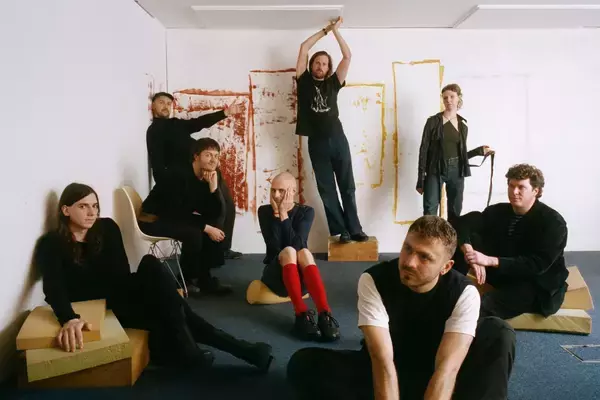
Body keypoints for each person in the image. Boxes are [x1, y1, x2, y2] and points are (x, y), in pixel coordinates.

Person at [36, 183, 273, 372]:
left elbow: (120, 274)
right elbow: (53, 288)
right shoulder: (52, 243)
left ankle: (189, 351)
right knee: (178, 310)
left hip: (121, 293)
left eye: (95, 206)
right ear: (65, 210)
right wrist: (69, 318)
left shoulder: (106, 228)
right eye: (83, 206)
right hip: (102, 306)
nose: (92, 213)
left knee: (152, 268)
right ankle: (242, 350)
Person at [287, 215, 515, 400]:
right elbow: (382, 359)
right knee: (304, 363)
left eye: (424, 257)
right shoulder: (374, 280)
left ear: (446, 267)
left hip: (437, 372)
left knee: (499, 332)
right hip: (392, 369)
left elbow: (447, 368)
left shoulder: (464, 293)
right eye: (408, 248)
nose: (409, 262)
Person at [453, 163, 569, 320]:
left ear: (536, 191)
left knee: (485, 304)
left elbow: (537, 265)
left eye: (521, 187)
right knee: (461, 242)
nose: (514, 192)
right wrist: (469, 251)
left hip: (535, 283)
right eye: (511, 186)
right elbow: (464, 223)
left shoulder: (553, 223)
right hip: (505, 274)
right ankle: (451, 289)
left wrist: (489, 260)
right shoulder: (498, 211)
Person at [294, 17, 368, 244]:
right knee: (327, 190)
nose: (320, 66)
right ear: (311, 65)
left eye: (325, 63)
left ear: (328, 68)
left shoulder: (334, 82)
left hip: (337, 139)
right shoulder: (303, 81)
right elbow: (304, 47)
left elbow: (347, 56)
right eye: (317, 62)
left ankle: (355, 229)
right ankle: (341, 230)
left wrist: (336, 31)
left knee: (348, 186)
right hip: (316, 143)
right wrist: (325, 30)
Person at [148, 91, 242, 260]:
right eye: (161, 102)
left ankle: (222, 247)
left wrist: (225, 113)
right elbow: (157, 161)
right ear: (153, 106)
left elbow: (199, 122)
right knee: (213, 208)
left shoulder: (176, 124)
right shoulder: (155, 130)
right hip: (187, 177)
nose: (166, 106)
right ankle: (215, 250)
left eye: (169, 103)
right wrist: (165, 184)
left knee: (225, 205)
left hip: (204, 170)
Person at [139, 137, 233, 296]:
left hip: (174, 216)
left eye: (216, 156)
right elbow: (174, 212)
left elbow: (213, 212)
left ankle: (204, 278)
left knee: (210, 224)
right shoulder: (178, 175)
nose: (213, 160)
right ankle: (186, 280)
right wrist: (205, 227)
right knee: (194, 233)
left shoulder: (208, 176)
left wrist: (213, 189)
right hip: (152, 219)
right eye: (208, 155)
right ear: (196, 156)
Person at [257, 172, 340, 341]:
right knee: (289, 251)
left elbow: (298, 244)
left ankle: (325, 314)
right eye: (273, 190)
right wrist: (278, 215)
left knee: (304, 252)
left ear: (293, 192)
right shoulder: (264, 211)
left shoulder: (306, 212)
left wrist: (284, 215)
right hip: (276, 276)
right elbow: (274, 247)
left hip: (301, 282)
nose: (276, 195)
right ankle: (301, 314)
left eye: (281, 191)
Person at [416, 83, 493, 224]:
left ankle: (453, 238)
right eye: (445, 98)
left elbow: (461, 154)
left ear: (458, 98)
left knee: (455, 213)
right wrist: (421, 179)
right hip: (435, 169)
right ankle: (430, 238)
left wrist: (479, 151)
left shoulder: (463, 125)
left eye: (452, 96)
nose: (448, 100)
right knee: (429, 212)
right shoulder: (433, 122)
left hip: (457, 171)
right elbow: (423, 150)